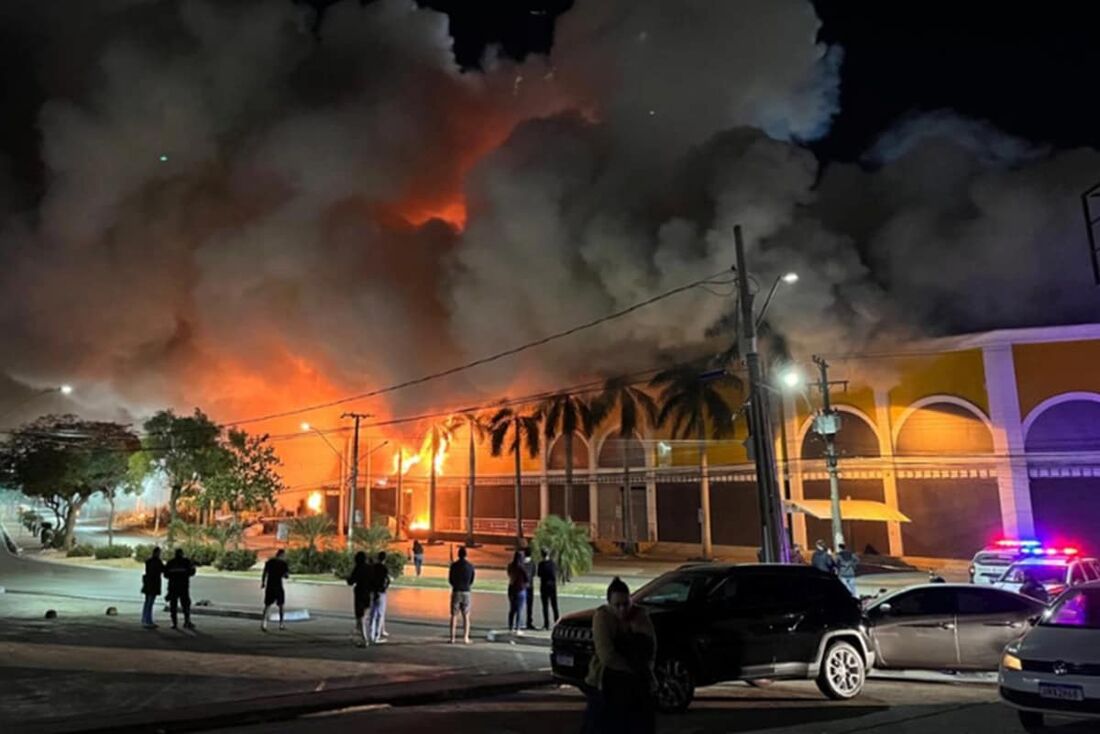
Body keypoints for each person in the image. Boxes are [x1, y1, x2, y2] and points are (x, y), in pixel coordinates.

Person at [583, 577, 656, 734]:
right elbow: (607, 655)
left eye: (626, 604)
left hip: (635, 684)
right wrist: (631, 669)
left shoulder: (639, 615)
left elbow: (650, 647)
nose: (622, 609)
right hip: (606, 682)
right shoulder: (603, 617)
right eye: (617, 605)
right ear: (610, 604)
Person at [163, 548, 197, 630]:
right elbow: (192, 572)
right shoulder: (186, 562)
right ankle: (187, 621)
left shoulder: (171, 562)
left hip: (173, 587)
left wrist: (173, 576)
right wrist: (193, 566)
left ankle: (174, 623)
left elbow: (165, 574)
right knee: (185, 605)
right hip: (183, 587)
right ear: (182, 554)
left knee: (173, 606)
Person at [448, 546, 475, 644]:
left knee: (454, 615)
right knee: (466, 615)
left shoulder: (454, 566)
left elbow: (450, 579)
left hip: (456, 591)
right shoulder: (470, 566)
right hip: (466, 591)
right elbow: (472, 579)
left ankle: (452, 638)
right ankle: (465, 637)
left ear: (458, 554)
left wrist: (455, 585)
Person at [346, 551, 373, 646]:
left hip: (360, 593)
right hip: (368, 593)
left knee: (360, 616)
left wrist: (347, 578)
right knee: (364, 616)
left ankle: (364, 638)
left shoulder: (358, 568)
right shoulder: (370, 568)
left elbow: (351, 581)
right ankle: (359, 632)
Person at [261, 548, 290, 632]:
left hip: (270, 586)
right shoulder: (283, 564)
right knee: (281, 605)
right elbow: (286, 576)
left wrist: (263, 583)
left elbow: (264, 573)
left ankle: (264, 623)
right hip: (278, 586)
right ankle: (281, 624)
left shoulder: (269, 562)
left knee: (267, 605)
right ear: (282, 555)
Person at [368, 551, 390, 644]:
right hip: (381, 592)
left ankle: (370, 635)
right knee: (380, 614)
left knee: (372, 614)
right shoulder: (384, 568)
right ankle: (377, 636)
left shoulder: (373, 567)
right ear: (384, 559)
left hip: (373, 592)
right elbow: (386, 580)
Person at [141, 546, 164, 629]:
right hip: (154, 584)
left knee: (147, 602)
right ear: (157, 553)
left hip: (147, 583)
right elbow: (163, 570)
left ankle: (144, 619)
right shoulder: (157, 562)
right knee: (150, 603)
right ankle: (148, 620)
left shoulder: (148, 561)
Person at [506, 550, 529, 636]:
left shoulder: (510, 566)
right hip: (520, 589)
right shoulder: (522, 568)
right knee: (519, 609)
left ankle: (510, 627)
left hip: (511, 589)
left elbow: (509, 574)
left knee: (512, 609)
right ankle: (517, 628)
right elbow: (526, 579)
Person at [536, 548, 559, 630]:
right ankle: (557, 622)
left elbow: (539, 574)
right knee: (554, 605)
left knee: (545, 606)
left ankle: (546, 624)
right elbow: (555, 573)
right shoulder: (553, 563)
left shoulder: (541, 564)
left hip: (544, 586)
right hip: (552, 586)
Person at [523, 546, 537, 630]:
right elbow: (534, 574)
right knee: (529, 606)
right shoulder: (532, 563)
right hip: (530, 586)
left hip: (522, 586)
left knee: (520, 605)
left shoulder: (521, 563)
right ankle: (529, 622)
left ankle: (518, 622)